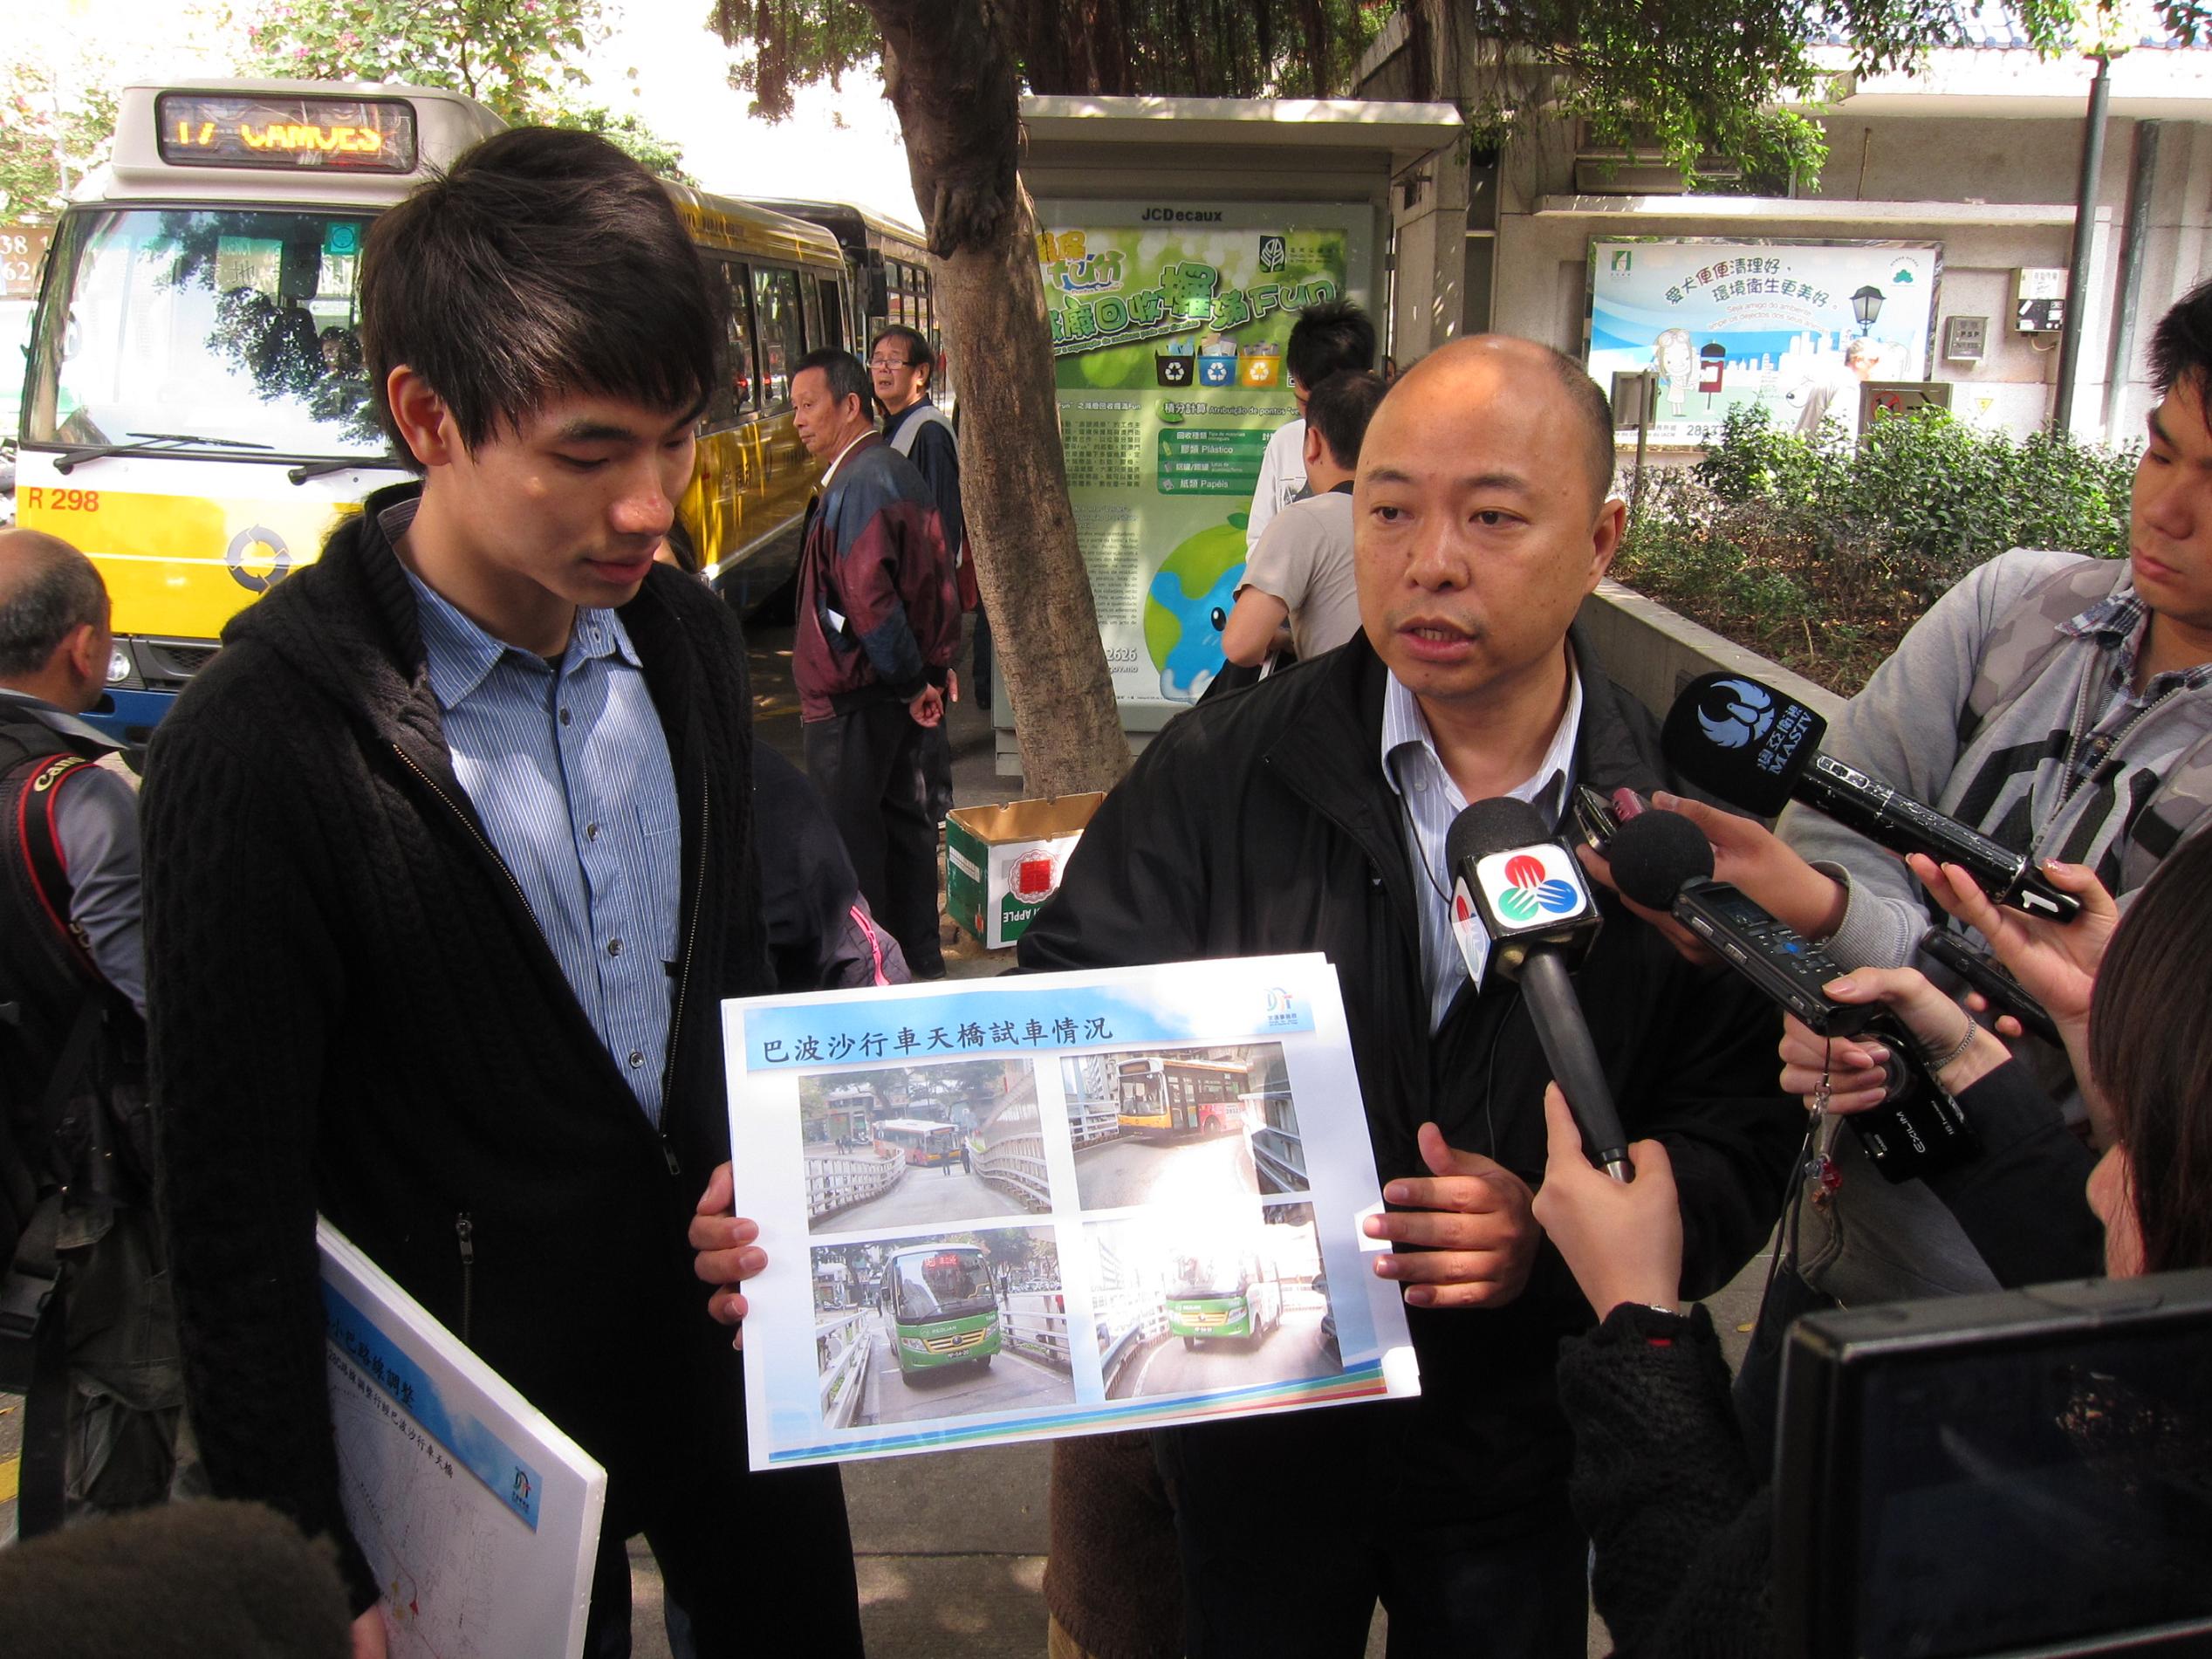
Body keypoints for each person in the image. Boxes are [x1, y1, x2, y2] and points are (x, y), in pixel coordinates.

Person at [139, 128, 861, 1656]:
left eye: (678, 438)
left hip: (734, 1355)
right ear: (430, 418)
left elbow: (721, 979)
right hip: (472, 1451)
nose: (651, 505)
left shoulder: (679, 644)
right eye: (590, 455)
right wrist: (304, 1554)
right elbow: (228, 1210)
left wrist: (764, 1159)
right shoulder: (262, 745)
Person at [1020, 335, 1802, 1656]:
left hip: (1523, 1454)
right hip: (1256, 1439)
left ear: (1600, 540)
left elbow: (1740, 1126)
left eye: (1492, 517)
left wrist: (1544, 1243)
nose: (1429, 561)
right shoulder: (1225, 766)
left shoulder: (1683, 831)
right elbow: (1066, 1003)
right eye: (1387, 513)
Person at [1652, 278, 2212, 1406]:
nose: (2167, 508)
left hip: (2066, 1320)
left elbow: (2168, 1083)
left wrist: (1847, 930)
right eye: (2161, 452)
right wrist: (1850, 977)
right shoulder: (2015, 610)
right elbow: (1838, 832)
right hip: (1837, 1251)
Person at [1531, 826, 2212, 1657]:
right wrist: (1964, 1063)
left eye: (2138, 1147)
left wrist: (1639, 1321)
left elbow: (1699, 1621)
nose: (2098, 1184)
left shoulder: (2033, 1530)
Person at [0, 529, 183, 1534]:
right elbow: (162, 999)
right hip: (79, 1185)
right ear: (86, 647)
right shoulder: (77, 797)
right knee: (113, 1439)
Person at [791, 343, 959, 980]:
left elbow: (870, 597)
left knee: (855, 847)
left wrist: (913, 679)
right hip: (881, 692)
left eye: (808, 405)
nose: (798, 421)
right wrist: (922, 673)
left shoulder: (864, 479)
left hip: (856, 698)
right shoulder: (880, 470)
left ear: (849, 405)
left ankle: (874, 977)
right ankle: (916, 966)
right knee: (901, 833)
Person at [1219, 369, 1386, 670]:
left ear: (1313, 443)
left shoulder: (1305, 520)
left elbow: (1241, 645)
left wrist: (1283, 640)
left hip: (1336, 695)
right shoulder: (1412, 521)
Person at [1243, 299, 1377, 554]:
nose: (1316, 420)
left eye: (1330, 404)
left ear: (1367, 382)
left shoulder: (1390, 446)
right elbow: (1258, 541)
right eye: (1305, 403)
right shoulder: (1285, 442)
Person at [1791, 336, 1879, 436]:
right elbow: (1835, 433)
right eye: (1875, 361)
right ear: (1859, 361)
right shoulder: (1849, 385)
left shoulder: (1832, 377)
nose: (1878, 368)